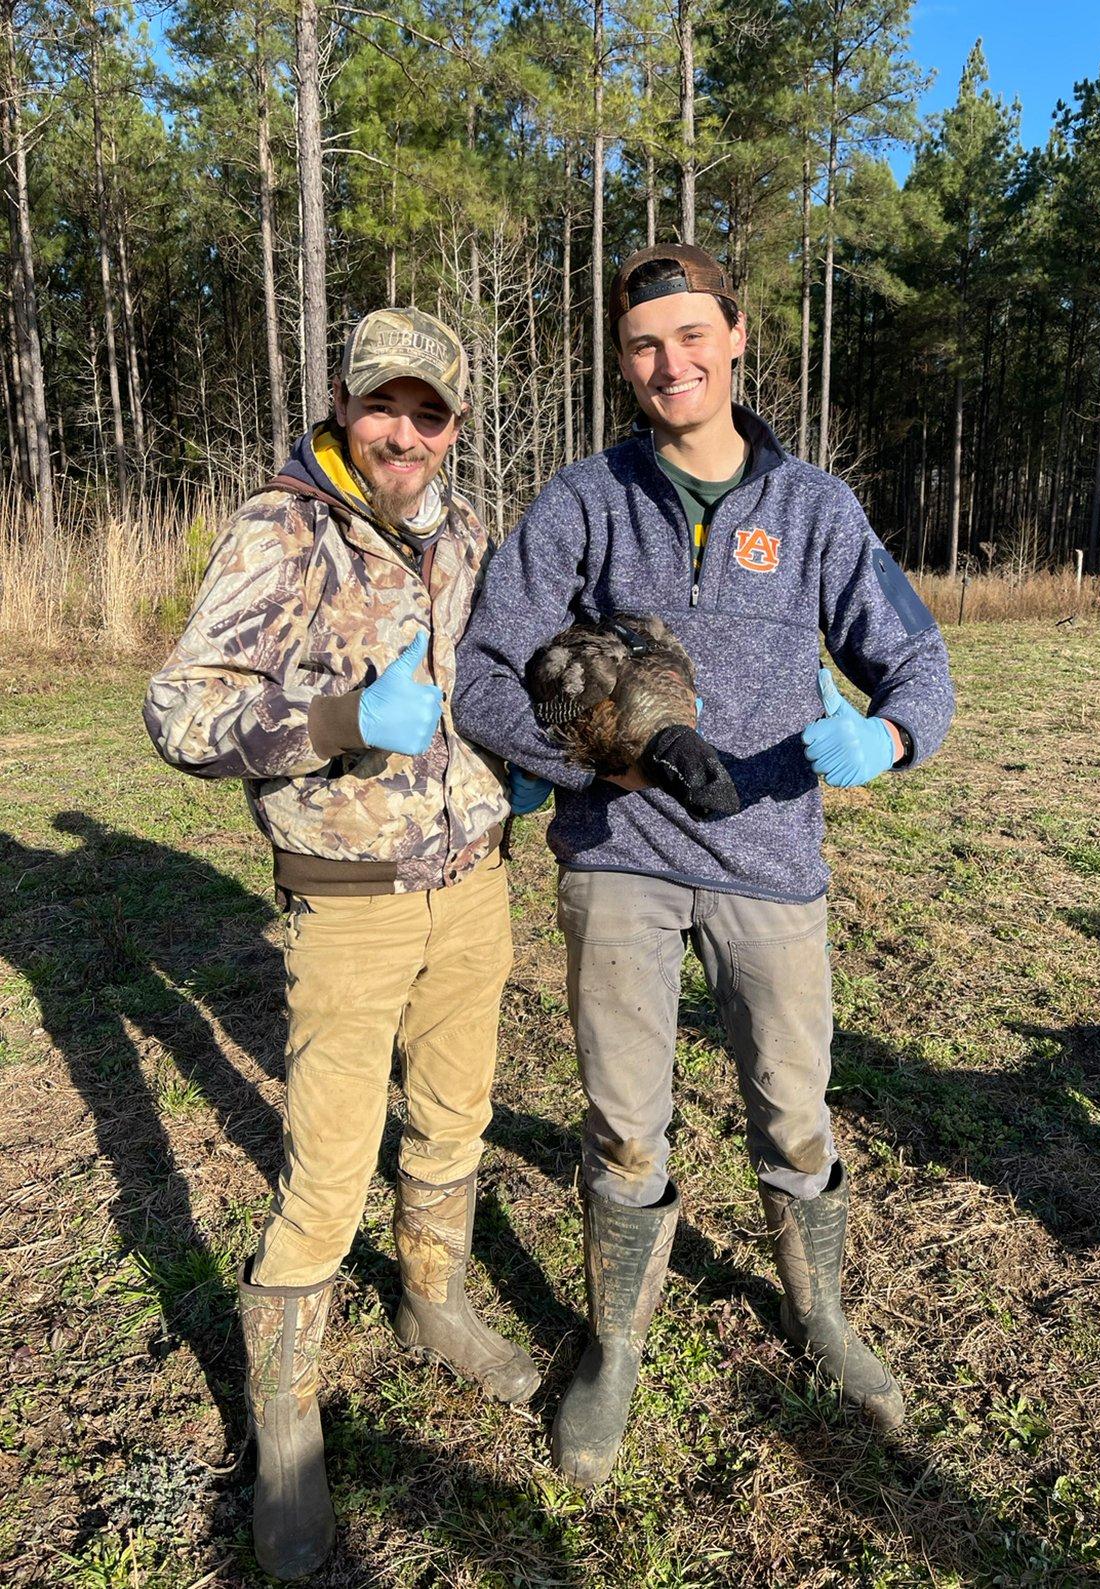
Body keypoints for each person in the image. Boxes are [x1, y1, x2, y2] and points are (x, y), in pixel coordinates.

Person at [454, 244, 955, 1488]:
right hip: (618, 856)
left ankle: (822, 1313)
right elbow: (480, 669)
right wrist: (593, 768)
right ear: (624, 362)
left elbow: (922, 668)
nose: (668, 363)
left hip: (771, 855)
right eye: (641, 345)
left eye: (690, 336)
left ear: (738, 335)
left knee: (792, 1101)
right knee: (628, 1120)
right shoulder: (582, 500)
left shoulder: (819, 510)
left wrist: (886, 736)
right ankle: (615, 1341)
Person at [144, 308, 538, 1579]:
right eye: (384, 407)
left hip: (474, 882)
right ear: (345, 402)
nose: (403, 433)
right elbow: (182, 706)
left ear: (456, 423)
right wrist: (340, 717)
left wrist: (515, 769)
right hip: (349, 901)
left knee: (456, 1117)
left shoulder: (469, 531)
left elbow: (490, 686)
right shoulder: (284, 526)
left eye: (429, 414)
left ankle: (433, 1299)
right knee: (325, 1171)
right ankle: (288, 1427)